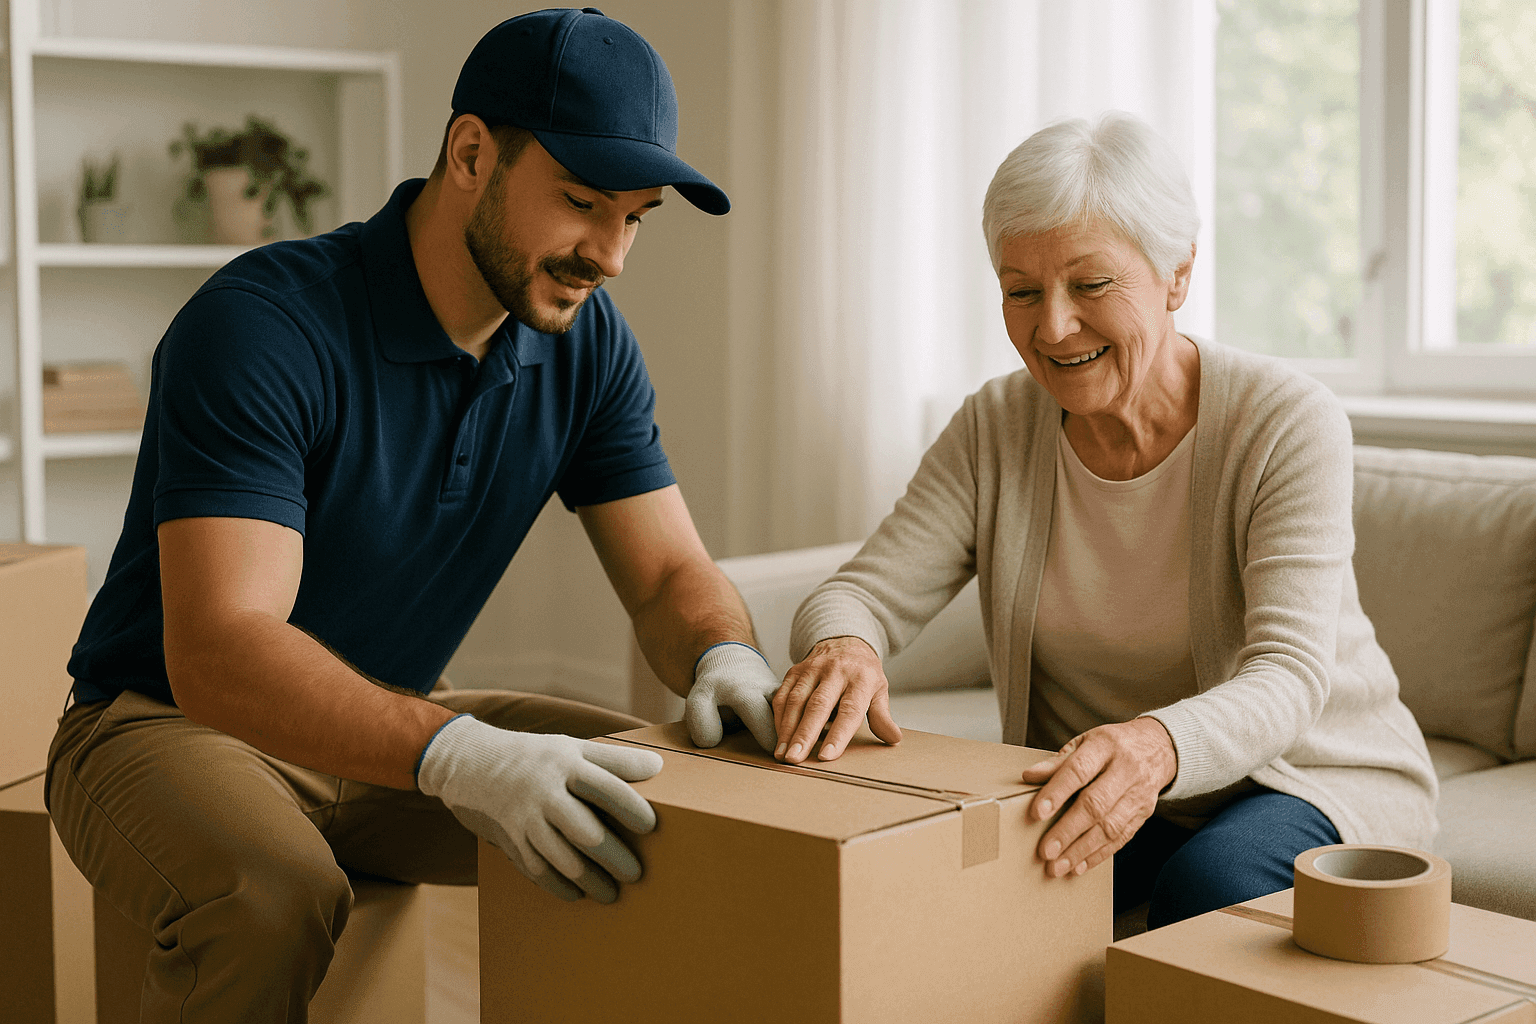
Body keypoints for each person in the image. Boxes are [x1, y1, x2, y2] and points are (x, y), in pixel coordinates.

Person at [46, 8, 782, 1019]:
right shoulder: (263, 326)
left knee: (683, 812)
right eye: (581, 202)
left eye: (636, 216)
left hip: (389, 728)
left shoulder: (586, 345)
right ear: (471, 152)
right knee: (276, 897)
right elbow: (220, 648)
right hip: (164, 725)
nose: (610, 254)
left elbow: (664, 576)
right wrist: (458, 752)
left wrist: (724, 656)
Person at [771, 111, 1438, 929]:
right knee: (937, 890)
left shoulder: (1284, 421)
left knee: (1211, 887)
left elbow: (1290, 676)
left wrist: (1155, 746)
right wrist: (845, 647)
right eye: (1022, 291)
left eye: (1090, 285)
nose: (1052, 326)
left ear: (1177, 275)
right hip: (1102, 782)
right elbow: (860, 593)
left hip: (1305, 774)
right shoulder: (997, 427)